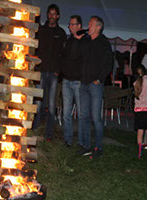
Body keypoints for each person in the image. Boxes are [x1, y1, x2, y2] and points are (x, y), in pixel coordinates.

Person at [78, 16, 113, 157]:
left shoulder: (104, 43)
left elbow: (108, 63)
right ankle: (86, 146)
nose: (88, 26)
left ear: (98, 27)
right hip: (84, 83)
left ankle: (98, 148)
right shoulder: (86, 41)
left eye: (91, 24)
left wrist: (99, 78)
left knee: (96, 118)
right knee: (84, 116)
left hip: (95, 85)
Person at [33, 4, 66, 140]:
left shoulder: (61, 33)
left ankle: (48, 134)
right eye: (50, 13)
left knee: (51, 105)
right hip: (40, 71)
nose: (51, 16)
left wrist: (59, 71)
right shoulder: (40, 30)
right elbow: (34, 49)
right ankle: (35, 131)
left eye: (54, 14)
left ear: (57, 16)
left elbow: (64, 54)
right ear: (47, 15)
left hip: (53, 73)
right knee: (38, 104)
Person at [61, 15, 83, 147]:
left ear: (79, 26)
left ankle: (81, 141)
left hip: (78, 82)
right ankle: (68, 140)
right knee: (66, 113)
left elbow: (80, 58)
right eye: (69, 24)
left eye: (72, 24)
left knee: (81, 114)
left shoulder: (84, 41)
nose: (70, 27)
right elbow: (65, 57)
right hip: (67, 81)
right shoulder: (69, 41)